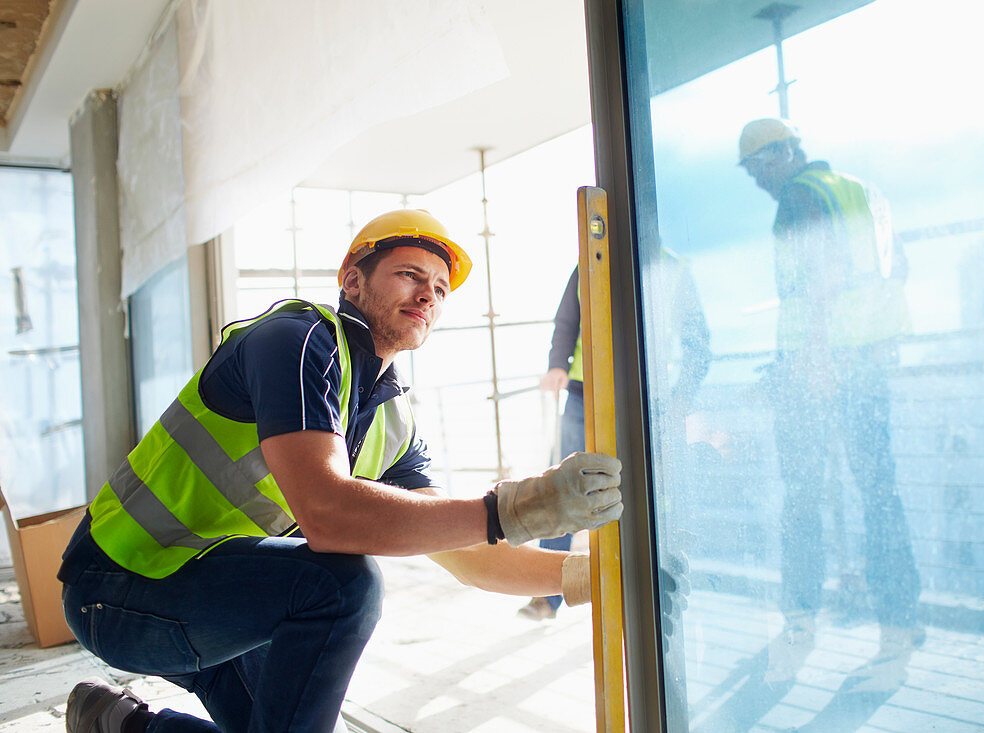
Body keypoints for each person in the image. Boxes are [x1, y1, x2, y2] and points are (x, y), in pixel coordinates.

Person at [59, 209, 624, 733]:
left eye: (441, 288)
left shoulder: (390, 420)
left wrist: (584, 575)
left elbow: (469, 552)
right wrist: (520, 506)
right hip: (120, 587)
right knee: (340, 584)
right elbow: (328, 515)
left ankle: (121, 723)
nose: (428, 293)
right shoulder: (297, 340)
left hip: (217, 590)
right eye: (410, 274)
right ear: (352, 280)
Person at [738, 119, 922, 680]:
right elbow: (899, 267)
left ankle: (800, 622)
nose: (757, 181)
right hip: (865, 361)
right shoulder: (860, 191)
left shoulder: (801, 196)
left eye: (760, 166)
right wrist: (877, 340)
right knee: (879, 492)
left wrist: (814, 353)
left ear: (787, 153)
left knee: (802, 497)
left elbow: (825, 270)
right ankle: (900, 624)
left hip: (816, 369)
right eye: (751, 171)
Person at [517, 267, 588, 621]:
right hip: (582, 393)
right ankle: (546, 598)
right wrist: (557, 364)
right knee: (563, 487)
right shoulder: (587, 261)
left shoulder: (670, 263)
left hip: (643, 393)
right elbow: (566, 321)